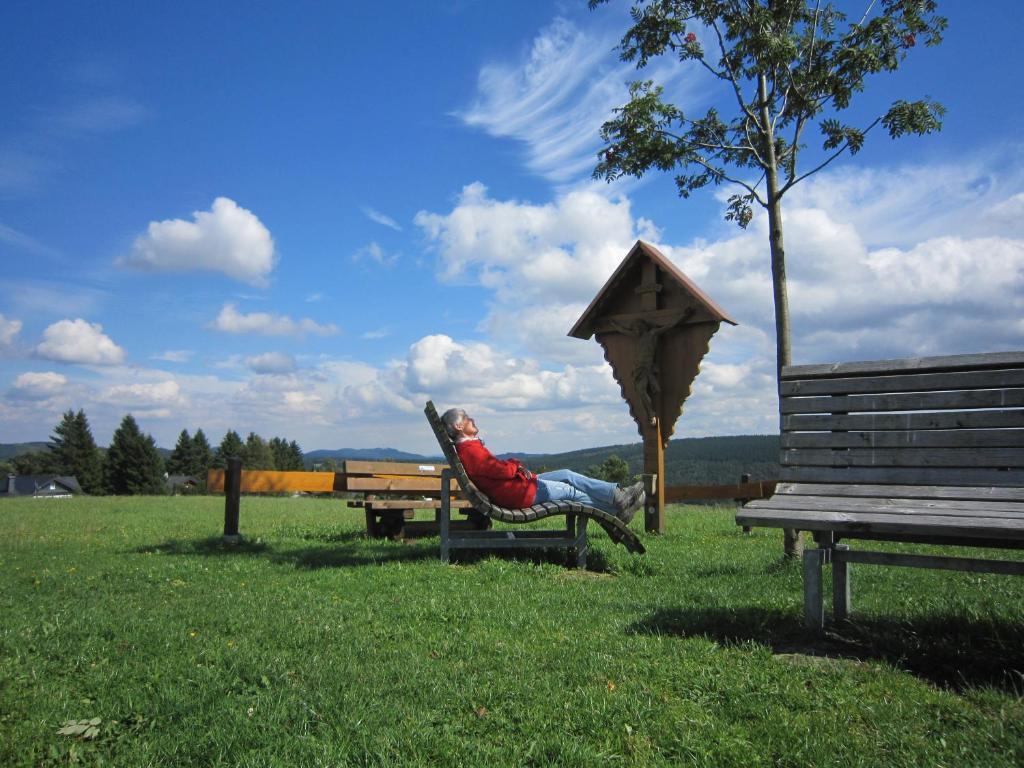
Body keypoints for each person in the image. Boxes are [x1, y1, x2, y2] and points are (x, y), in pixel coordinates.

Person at [441, 407, 645, 524]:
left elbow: (495, 470)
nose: (472, 419)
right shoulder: (471, 451)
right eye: (467, 418)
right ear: (459, 426)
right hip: (518, 493)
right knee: (570, 492)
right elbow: (500, 470)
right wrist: (515, 464)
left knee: (567, 474)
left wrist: (515, 469)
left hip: (518, 486)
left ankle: (618, 496)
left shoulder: (470, 447)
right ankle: (616, 512)